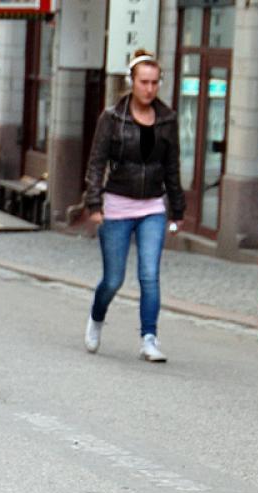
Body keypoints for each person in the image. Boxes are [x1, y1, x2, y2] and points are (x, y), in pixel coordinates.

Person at [82, 48, 185, 363]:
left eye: (155, 82)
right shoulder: (112, 118)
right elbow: (97, 163)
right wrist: (94, 203)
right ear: (132, 82)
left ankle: (149, 339)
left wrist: (177, 209)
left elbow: (172, 166)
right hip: (117, 205)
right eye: (144, 82)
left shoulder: (167, 120)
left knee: (149, 275)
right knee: (113, 280)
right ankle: (97, 318)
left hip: (153, 206)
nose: (149, 89)